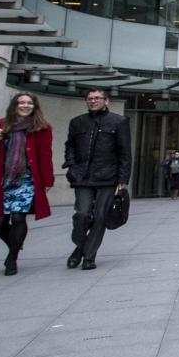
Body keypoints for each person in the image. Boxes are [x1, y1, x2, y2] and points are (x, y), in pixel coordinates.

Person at [0, 93, 55, 275]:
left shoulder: (42, 128)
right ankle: (15, 243)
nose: (25, 105)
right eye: (21, 102)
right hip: (5, 180)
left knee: (18, 218)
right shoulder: (3, 124)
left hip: (27, 180)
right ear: (14, 105)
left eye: (29, 103)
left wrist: (48, 179)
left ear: (34, 106)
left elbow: (46, 155)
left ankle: (12, 259)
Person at [63, 89, 130, 270]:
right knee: (82, 214)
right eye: (90, 98)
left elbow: (125, 152)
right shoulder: (77, 122)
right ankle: (81, 247)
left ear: (106, 101)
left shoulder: (119, 121)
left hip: (107, 177)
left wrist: (123, 179)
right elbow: (70, 146)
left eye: (97, 98)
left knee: (100, 217)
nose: (93, 101)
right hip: (82, 176)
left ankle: (89, 257)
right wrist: (70, 165)